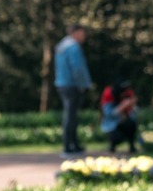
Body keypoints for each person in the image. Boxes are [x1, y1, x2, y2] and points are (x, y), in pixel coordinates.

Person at [53, 24, 92, 158]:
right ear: (76, 33)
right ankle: (68, 146)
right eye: (83, 33)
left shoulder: (62, 46)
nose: (84, 36)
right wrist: (82, 84)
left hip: (63, 84)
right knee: (71, 116)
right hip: (72, 85)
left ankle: (73, 144)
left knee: (71, 115)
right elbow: (77, 69)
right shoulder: (73, 48)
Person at [99, 82, 140, 153]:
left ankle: (132, 146)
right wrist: (122, 106)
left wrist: (133, 105)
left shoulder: (127, 97)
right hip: (111, 126)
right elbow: (109, 114)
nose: (124, 93)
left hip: (123, 124)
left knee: (131, 123)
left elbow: (135, 114)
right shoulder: (109, 97)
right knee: (117, 136)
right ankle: (112, 146)